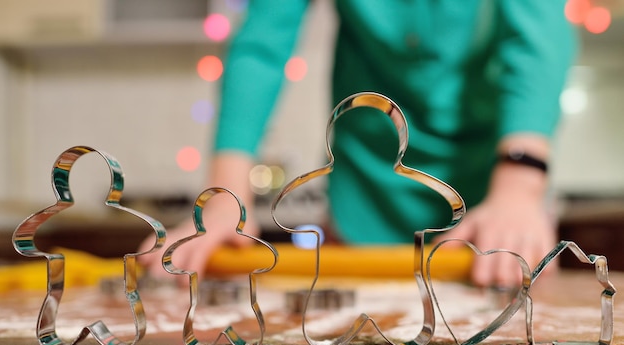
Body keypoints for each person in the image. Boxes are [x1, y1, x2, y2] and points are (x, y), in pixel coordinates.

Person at [139, 0, 577, 287]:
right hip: (363, 195)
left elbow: (538, 38)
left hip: (494, 196)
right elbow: (262, 46)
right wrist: (225, 201)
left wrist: (519, 188)